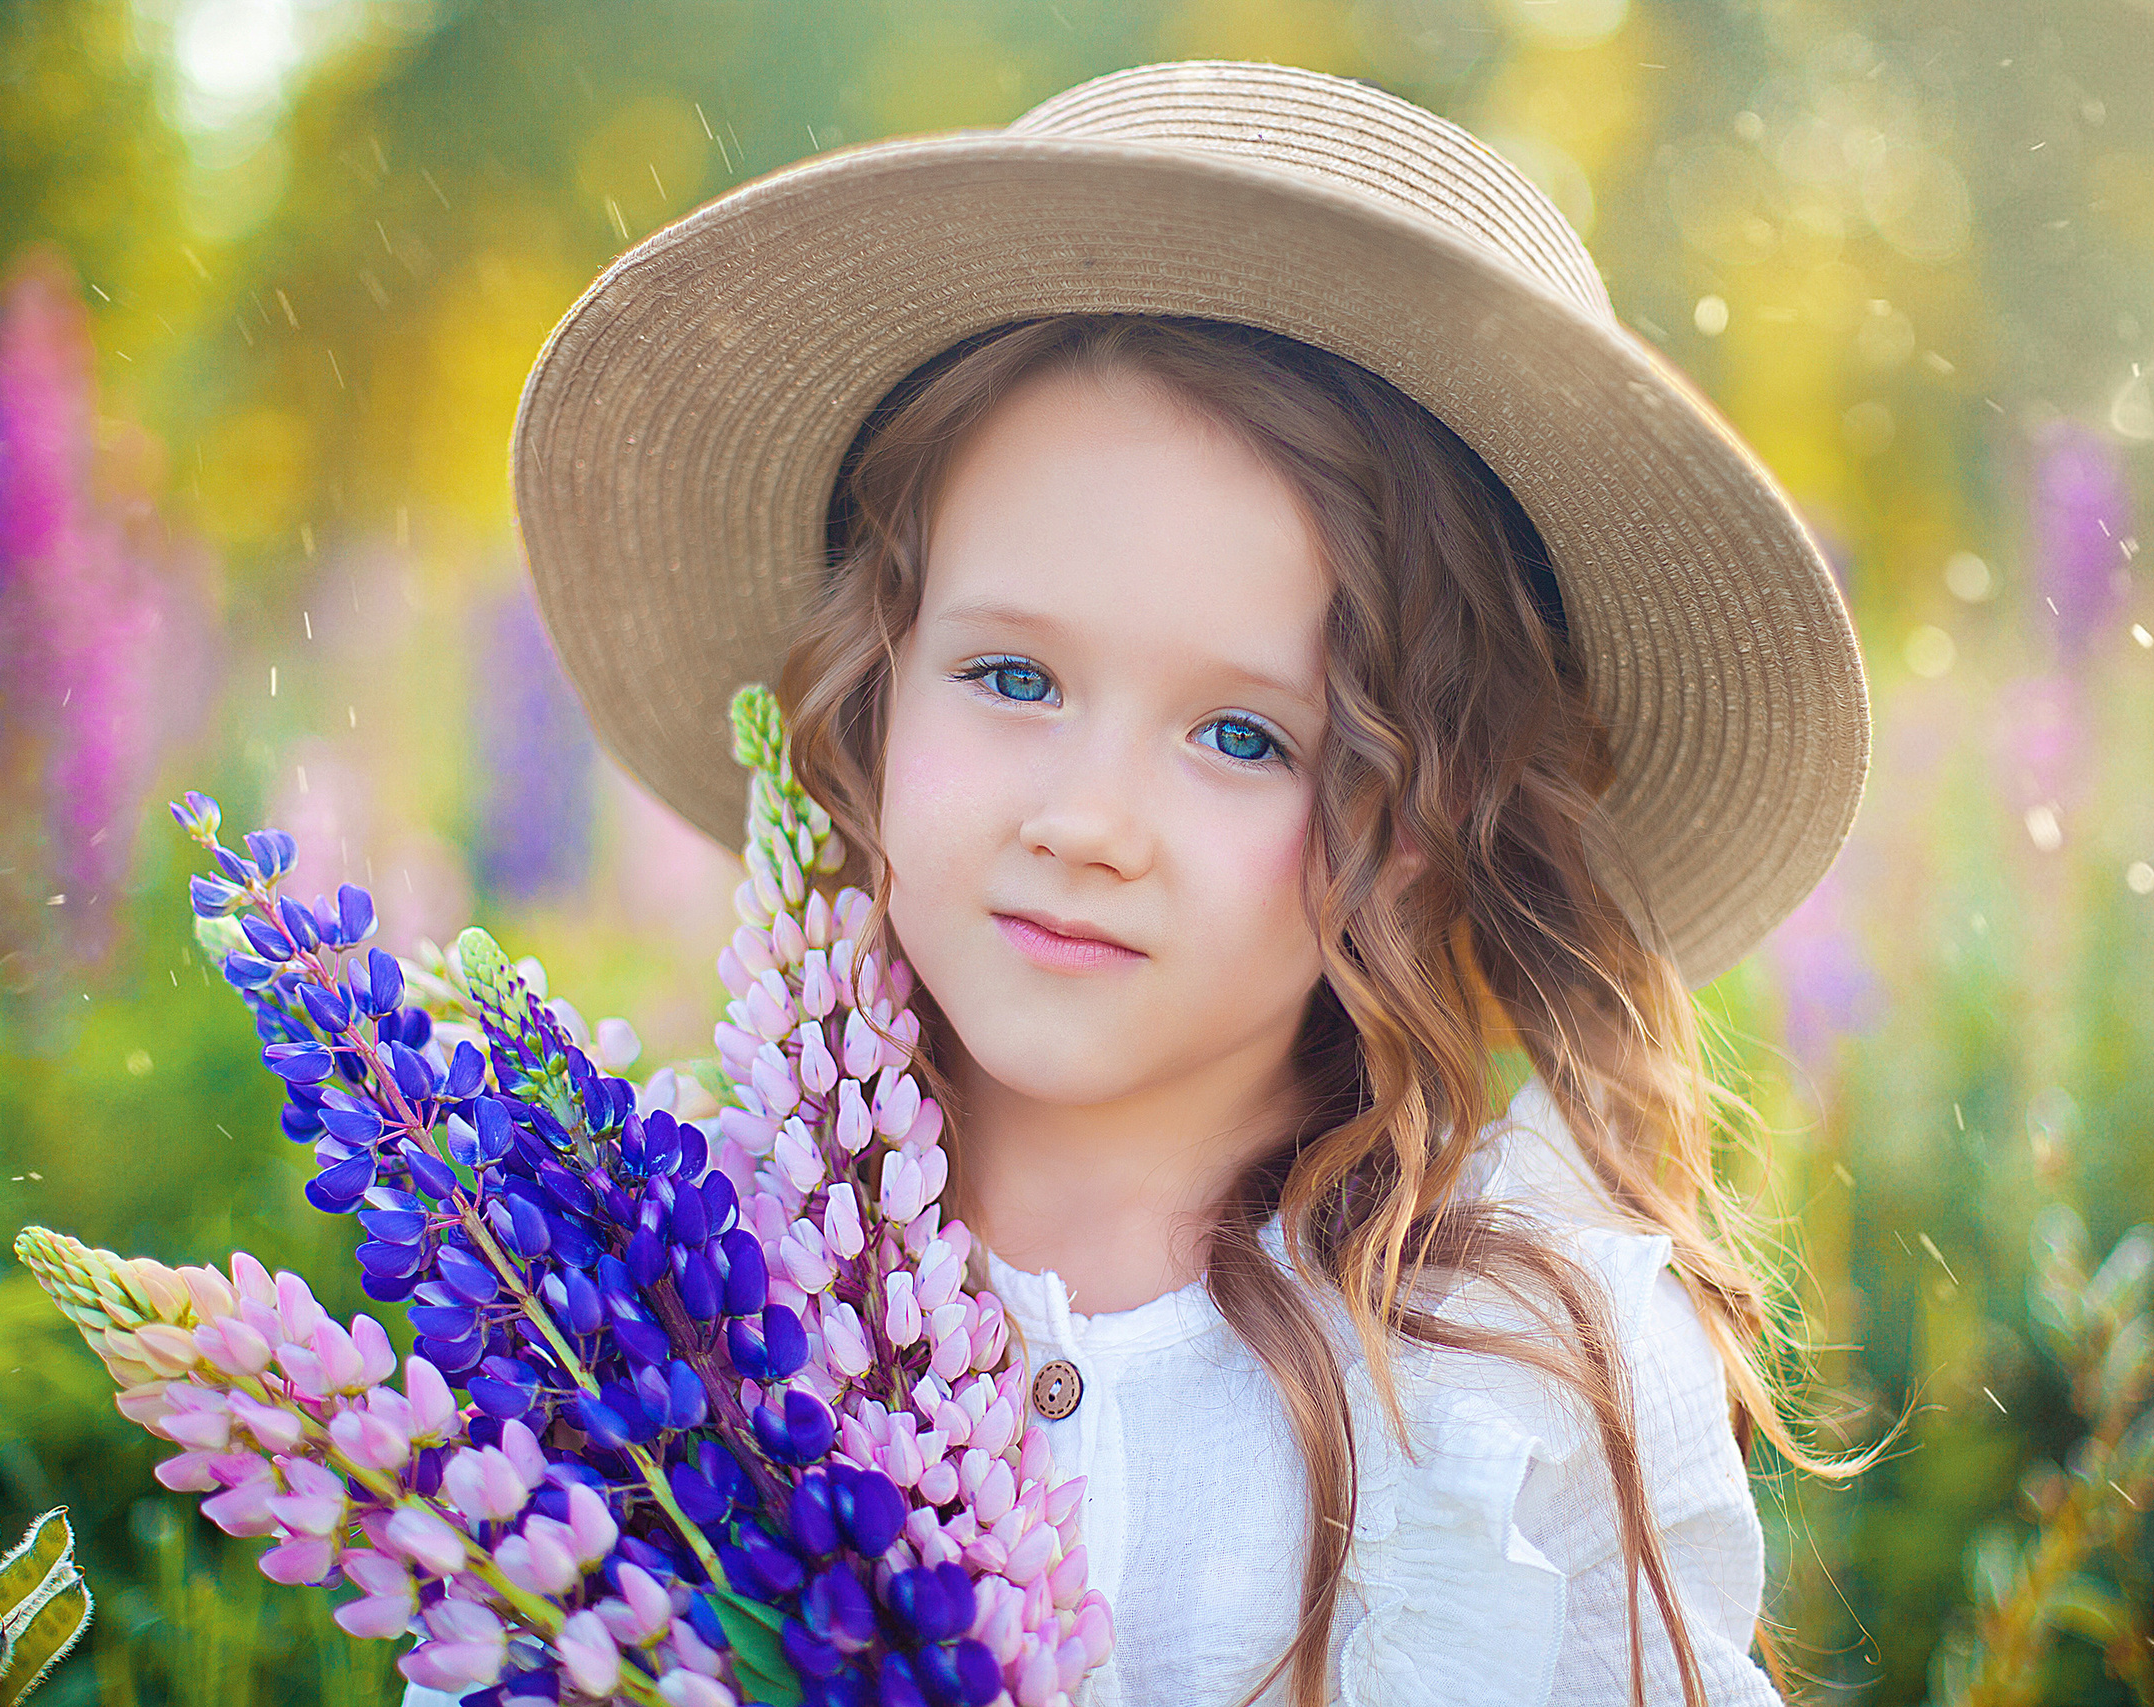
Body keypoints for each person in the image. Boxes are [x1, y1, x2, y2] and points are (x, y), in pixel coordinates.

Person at [428, 59, 1872, 1707]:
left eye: (1244, 735)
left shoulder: (1511, 1356)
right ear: (875, 690)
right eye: (1014, 679)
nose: (1090, 818)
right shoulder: (672, 1274)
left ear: (1420, 824)